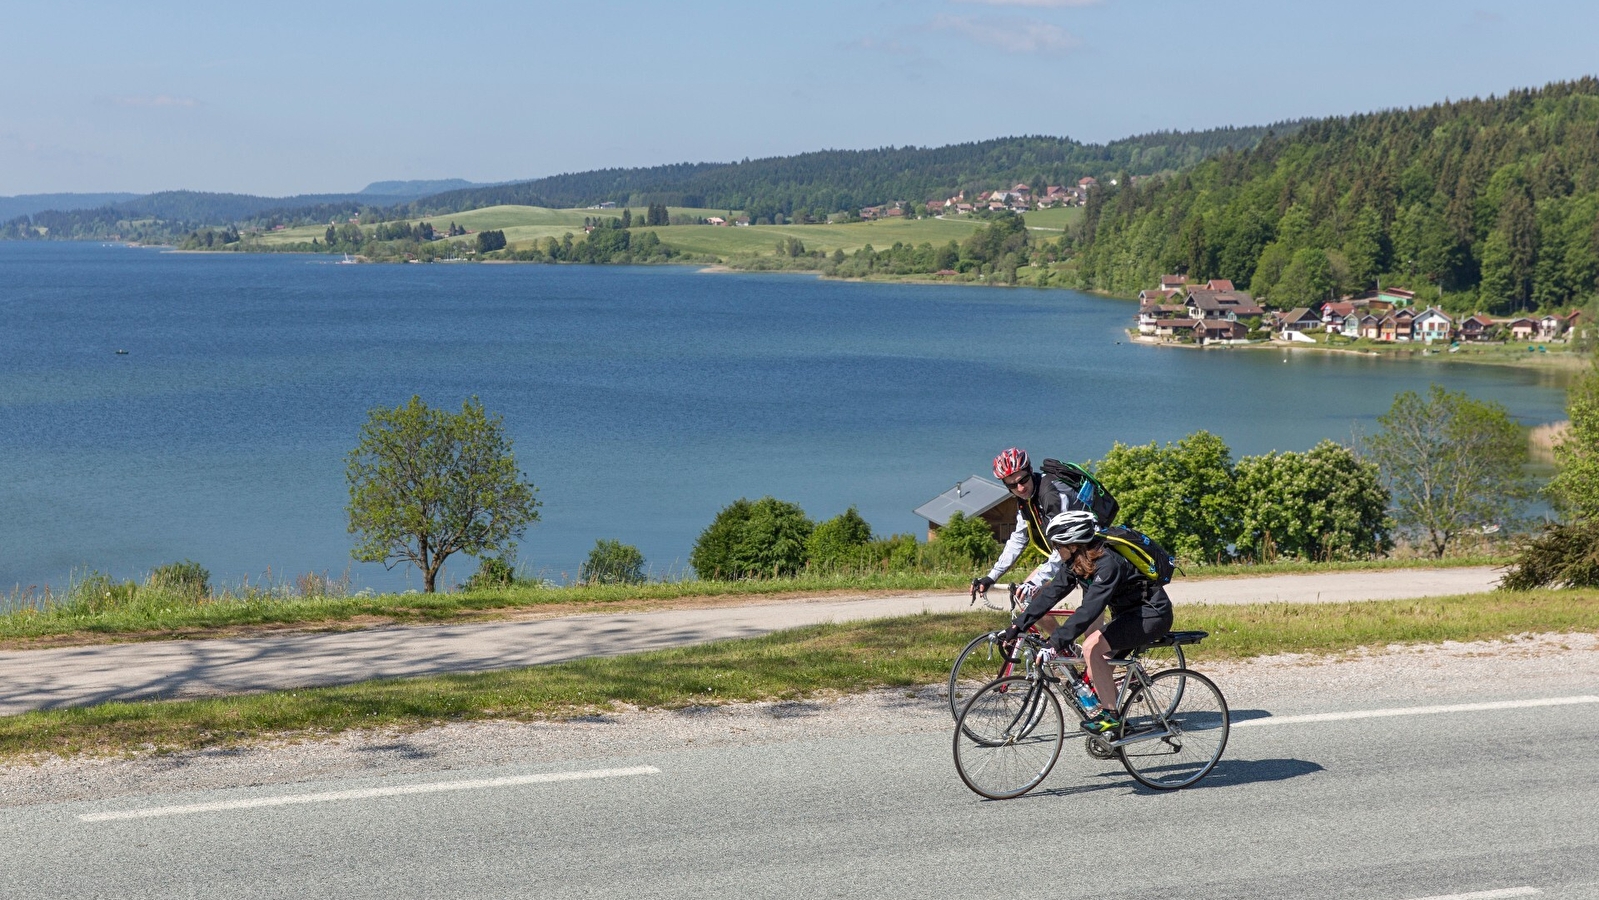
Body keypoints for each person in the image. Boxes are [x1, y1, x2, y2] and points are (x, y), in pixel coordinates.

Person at [999, 510, 1174, 735]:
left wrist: (1055, 643)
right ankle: (1121, 731)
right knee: (1093, 668)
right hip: (1128, 615)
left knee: (1092, 646)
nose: (1055, 551)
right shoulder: (1078, 560)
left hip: (1151, 615)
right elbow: (1051, 593)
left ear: (1073, 544)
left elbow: (1088, 610)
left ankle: (1111, 718)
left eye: (1057, 546)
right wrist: (1017, 626)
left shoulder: (1108, 564)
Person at [969, 447, 1092, 604]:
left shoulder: (1051, 495)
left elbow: (1065, 544)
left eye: (1023, 480)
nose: (1020, 488)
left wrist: (1035, 582)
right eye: (1012, 486)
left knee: (1090, 623)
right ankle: (1053, 630)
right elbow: (1018, 539)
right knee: (1025, 596)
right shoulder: (1026, 498)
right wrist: (991, 577)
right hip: (1066, 555)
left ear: (1031, 471)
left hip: (1090, 555)